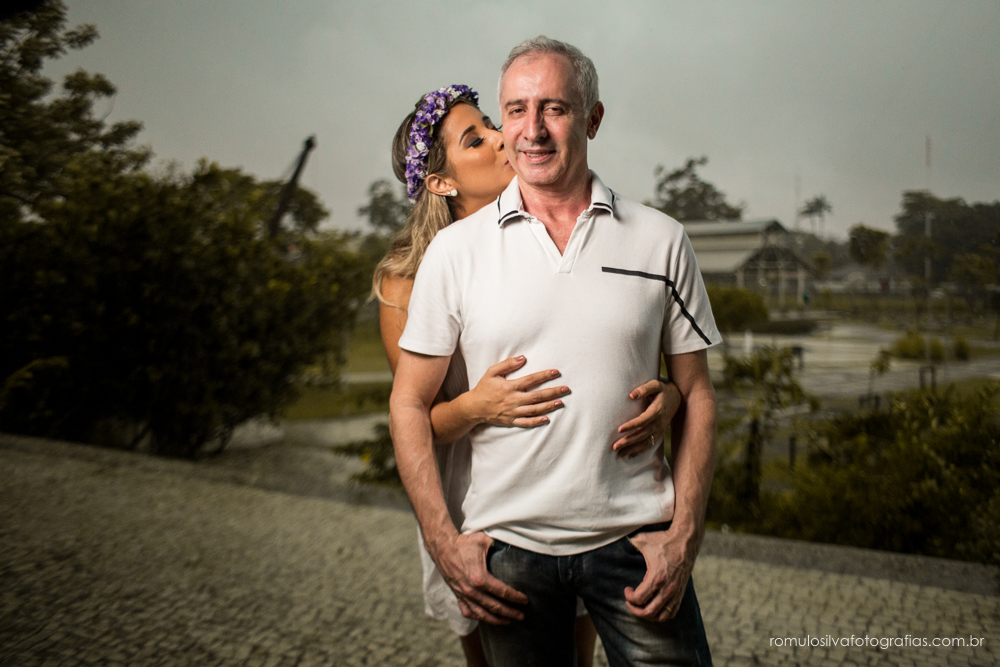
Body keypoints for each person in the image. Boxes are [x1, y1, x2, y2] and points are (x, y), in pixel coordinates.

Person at [389, 38, 721, 666]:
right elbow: (408, 404)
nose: (532, 129)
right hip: (509, 550)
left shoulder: (661, 240)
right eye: (515, 110)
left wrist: (684, 534)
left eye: (555, 109)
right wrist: (442, 540)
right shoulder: (452, 254)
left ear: (592, 119)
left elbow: (699, 390)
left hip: (636, 541)